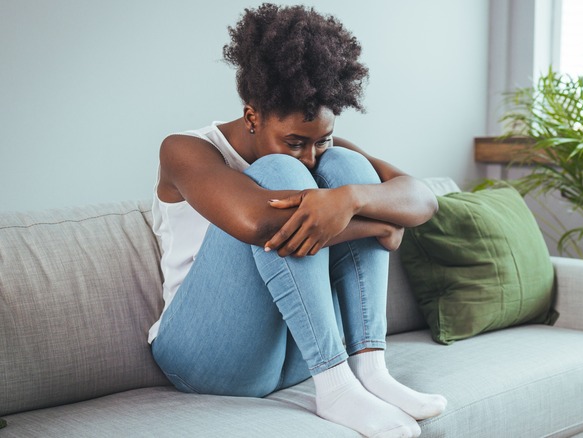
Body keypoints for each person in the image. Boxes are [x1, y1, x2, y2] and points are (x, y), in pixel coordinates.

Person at [147, 4, 446, 438]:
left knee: (348, 166)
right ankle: (336, 385)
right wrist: (378, 223)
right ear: (252, 116)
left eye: (318, 140)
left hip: (288, 356)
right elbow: (257, 223)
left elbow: (421, 199)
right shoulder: (185, 150)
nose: (309, 156)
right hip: (203, 357)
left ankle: (369, 369)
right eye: (295, 142)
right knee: (279, 177)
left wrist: (351, 197)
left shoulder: (322, 145)